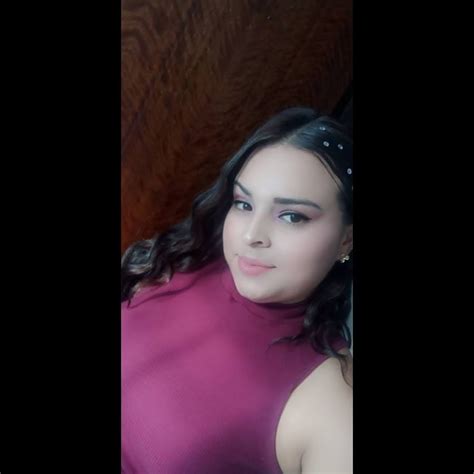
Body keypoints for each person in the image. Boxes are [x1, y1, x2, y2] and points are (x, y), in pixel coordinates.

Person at [121, 106, 353, 473]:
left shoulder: (333, 407)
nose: (251, 235)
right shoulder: (188, 258)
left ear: (346, 240)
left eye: (292, 216)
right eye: (244, 204)